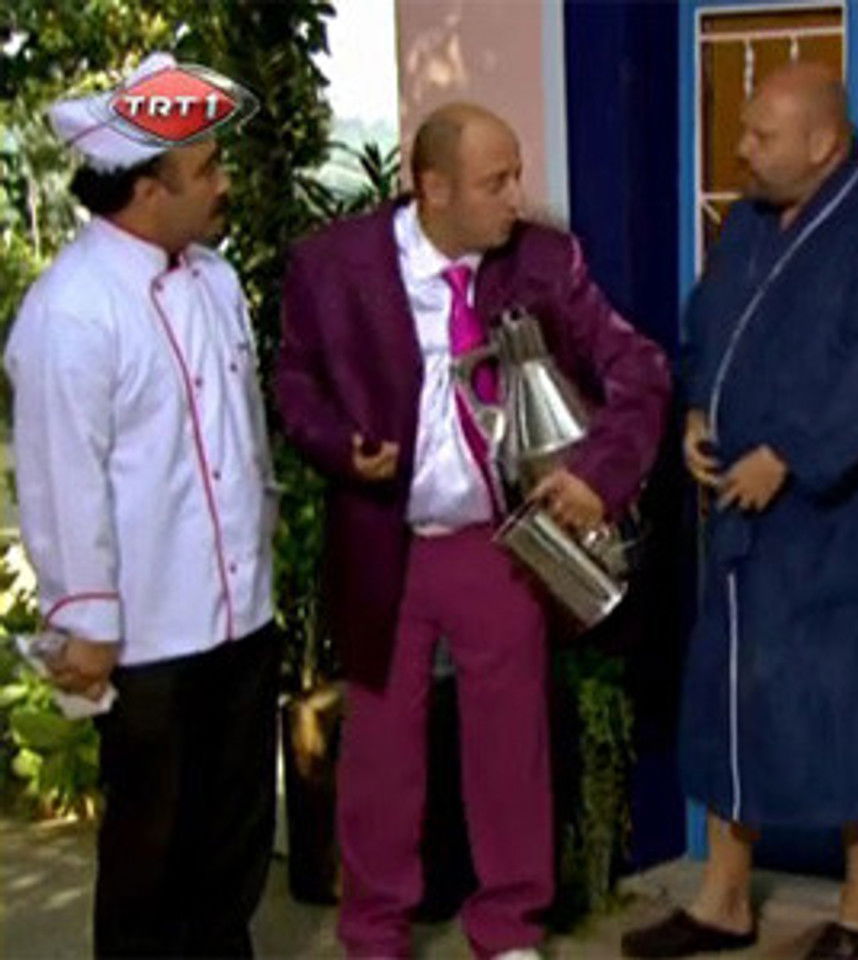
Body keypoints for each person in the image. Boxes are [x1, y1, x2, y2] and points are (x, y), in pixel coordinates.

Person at [275, 102, 670, 960]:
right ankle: (373, 931)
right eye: (497, 182)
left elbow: (639, 369)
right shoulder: (332, 265)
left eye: (516, 176)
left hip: (497, 543)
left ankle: (508, 928)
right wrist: (340, 447)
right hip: (384, 539)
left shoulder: (544, 260)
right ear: (434, 187)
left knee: (510, 743)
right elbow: (295, 383)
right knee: (380, 754)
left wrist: (598, 476)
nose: (516, 199)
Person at [623, 62, 858, 960]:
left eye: (761, 136)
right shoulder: (747, 224)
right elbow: (706, 327)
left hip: (853, 521)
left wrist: (795, 455)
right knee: (732, 695)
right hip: (744, 518)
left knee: (857, 705)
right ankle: (724, 899)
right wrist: (697, 412)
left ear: (823, 143)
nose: (740, 149)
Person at [5, 53, 280, 958]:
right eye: (206, 169)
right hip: (148, 638)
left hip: (241, 618)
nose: (223, 183)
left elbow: (237, 438)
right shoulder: (72, 310)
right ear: (147, 189)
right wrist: (84, 621)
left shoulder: (217, 282)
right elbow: (60, 478)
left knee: (234, 838)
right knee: (152, 856)